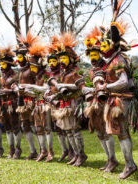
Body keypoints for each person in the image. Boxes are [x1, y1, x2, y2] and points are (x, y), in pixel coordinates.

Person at [47, 32, 89, 167]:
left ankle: (81, 154)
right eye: (61, 59)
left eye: (64, 58)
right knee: (68, 131)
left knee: (74, 130)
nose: (62, 61)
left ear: (71, 59)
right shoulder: (64, 73)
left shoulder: (74, 73)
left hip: (73, 104)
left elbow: (79, 85)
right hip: (64, 105)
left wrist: (64, 85)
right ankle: (76, 154)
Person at [82, 26, 118, 173]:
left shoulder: (107, 66)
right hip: (95, 103)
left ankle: (113, 159)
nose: (92, 57)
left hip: (106, 102)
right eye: (90, 55)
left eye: (95, 54)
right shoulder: (91, 69)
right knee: (99, 132)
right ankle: (108, 158)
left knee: (106, 131)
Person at [21, 42, 55, 162]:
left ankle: (50, 151)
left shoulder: (46, 75)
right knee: (38, 128)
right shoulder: (35, 77)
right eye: (31, 66)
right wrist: (24, 91)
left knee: (47, 128)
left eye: (34, 66)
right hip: (37, 105)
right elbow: (35, 93)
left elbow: (46, 89)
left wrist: (31, 87)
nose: (32, 69)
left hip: (45, 105)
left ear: (40, 65)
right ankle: (43, 151)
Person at [44, 36, 74, 162]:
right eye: (49, 61)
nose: (52, 63)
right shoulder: (50, 74)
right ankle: (65, 151)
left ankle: (72, 152)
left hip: (63, 102)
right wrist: (47, 93)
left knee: (66, 127)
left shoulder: (62, 72)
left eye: (54, 61)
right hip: (53, 103)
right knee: (58, 128)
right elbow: (48, 86)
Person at [13, 31, 38, 160]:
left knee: (35, 126)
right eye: (17, 57)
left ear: (26, 56)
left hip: (32, 101)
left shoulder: (31, 69)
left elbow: (37, 86)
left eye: (20, 56)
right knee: (25, 126)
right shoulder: (21, 71)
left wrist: (28, 92)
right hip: (22, 102)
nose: (18, 59)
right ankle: (33, 151)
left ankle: (41, 151)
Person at [0, 47, 22, 159]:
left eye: (3, 64)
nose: (1, 66)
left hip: (12, 103)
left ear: (8, 64)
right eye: (0, 64)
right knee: (7, 127)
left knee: (15, 126)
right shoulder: (1, 77)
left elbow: (16, 88)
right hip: (3, 104)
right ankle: (11, 149)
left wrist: (10, 90)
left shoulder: (14, 75)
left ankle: (18, 149)